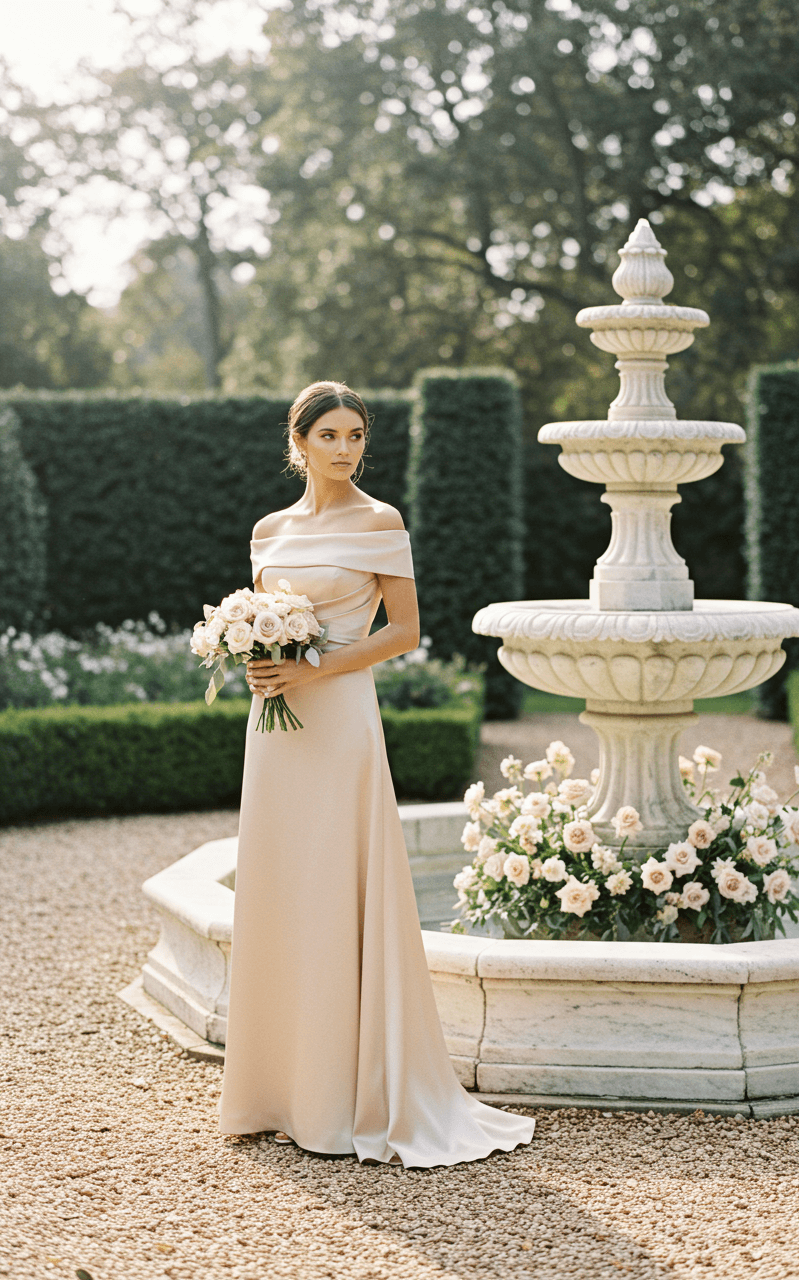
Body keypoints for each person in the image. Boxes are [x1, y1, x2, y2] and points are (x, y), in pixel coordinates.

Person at [217, 380, 535, 1167]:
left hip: (340, 722)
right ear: (299, 443)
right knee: (282, 885)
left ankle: (345, 1095)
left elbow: (405, 632)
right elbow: (262, 626)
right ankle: (278, 1090)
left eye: (355, 434)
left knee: (336, 886)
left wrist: (312, 666)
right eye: (329, 434)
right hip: (276, 729)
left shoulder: (380, 520)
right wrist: (256, 655)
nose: (345, 447)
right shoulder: (266, 531)